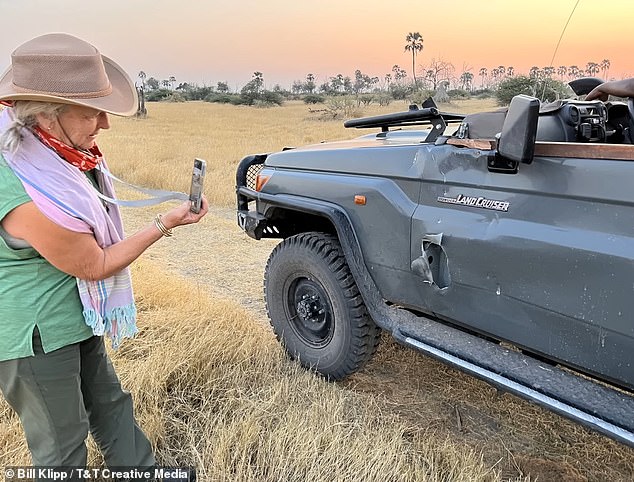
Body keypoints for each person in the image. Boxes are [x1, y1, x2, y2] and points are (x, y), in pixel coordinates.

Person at [0, 33, 208, 472]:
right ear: (48, 116)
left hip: (78, 315)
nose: (105, 125)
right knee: (62, 449)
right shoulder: (18, 180)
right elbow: (94, 264)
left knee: (111, 404)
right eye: (94, 112)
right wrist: (164, 223)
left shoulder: (59, 157)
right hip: (34, 334)